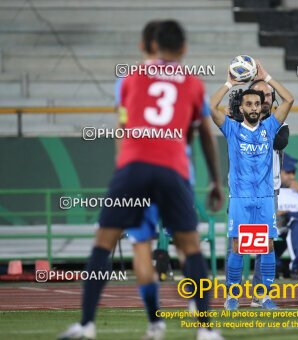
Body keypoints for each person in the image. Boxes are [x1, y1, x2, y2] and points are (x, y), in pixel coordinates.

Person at [59, 20, 223, 340]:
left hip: (133, 167)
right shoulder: (192, 83)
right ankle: (206, 330)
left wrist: (124, 171)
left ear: (151, 46)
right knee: (190, 249)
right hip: (174, 169)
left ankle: (87, 324)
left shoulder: (129, 78)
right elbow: (204, 133)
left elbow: (122, 127)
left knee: (105, 245)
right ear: (184, 48)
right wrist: (216, 181)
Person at [210, 60, 294, 310]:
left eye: (257, 103)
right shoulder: (232, 129)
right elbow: (209, 106)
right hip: (240, 199)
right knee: (237, 247)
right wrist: (229, 83)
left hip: (266, 198)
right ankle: (232, 297)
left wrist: (267, 78)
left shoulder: (270, 126)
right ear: (242, 108)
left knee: (267, 246)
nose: (254, 107)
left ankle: (264, 296)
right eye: (249, 103)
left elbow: (288, 100)